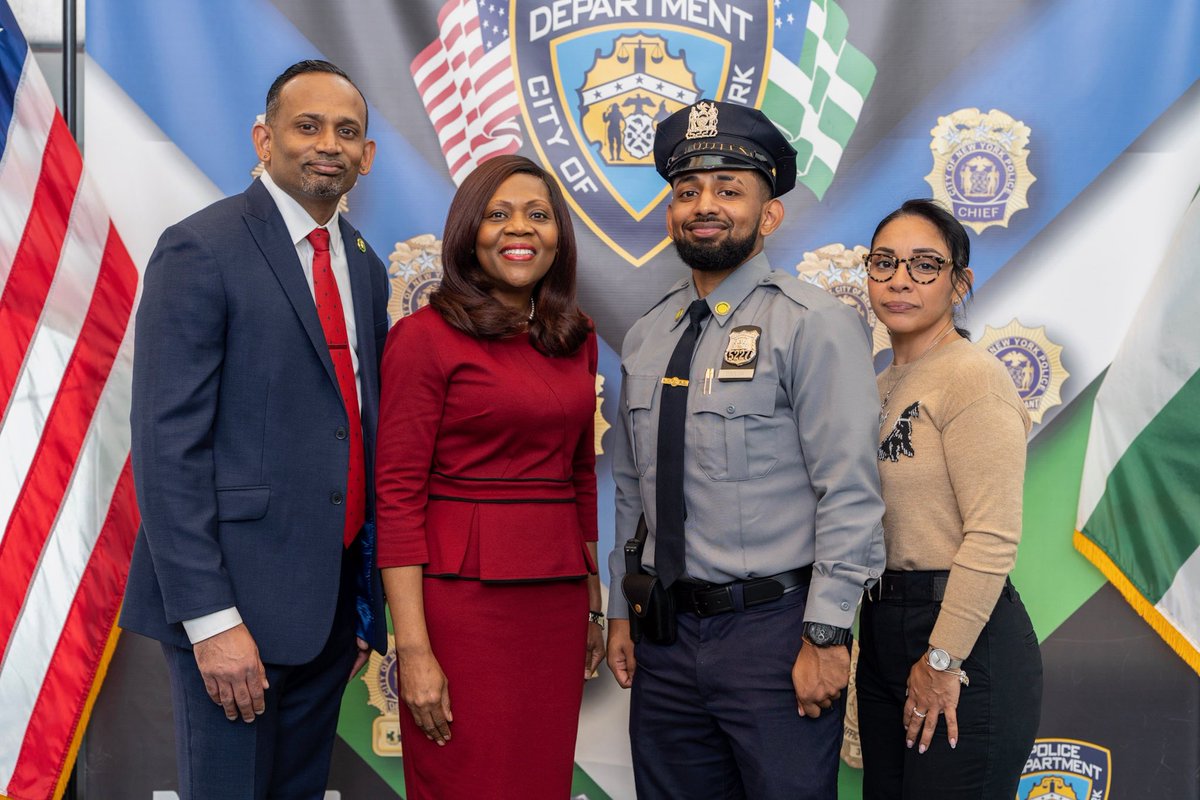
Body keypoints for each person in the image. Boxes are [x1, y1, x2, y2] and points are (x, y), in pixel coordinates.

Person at [121, 60, 389, 798]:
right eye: (307, 126)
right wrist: (211, 622)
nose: (327, 144)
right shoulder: (201, 248)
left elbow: (353, 433)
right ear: (263, 139)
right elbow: (167, 449)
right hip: (234, 611)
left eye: (347, 130)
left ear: (368, 156)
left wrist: (362, 602)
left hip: (330, 615)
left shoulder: (363, 266)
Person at [604, 99, 886, 799]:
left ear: (769, 215)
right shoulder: (647, 335)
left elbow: (849, 490)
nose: (705, 205)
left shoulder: (813, 325)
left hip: (775, 634)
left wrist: (826, 634)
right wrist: (620, 607)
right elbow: (632, 490)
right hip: (664, 635)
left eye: (730, 189)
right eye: (687, 190)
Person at [375, 154, 605, 799]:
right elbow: (395, 497)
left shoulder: (574, 334)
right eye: (498, 214)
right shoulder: (425, 337)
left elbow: (580, 476)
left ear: (558, 235)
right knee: (465, 778)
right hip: (460, 605)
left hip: (556, 599)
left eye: (537, 214)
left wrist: (592, 600)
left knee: (539, 780)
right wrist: (413, 650)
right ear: (469, 231)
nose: (519, 229)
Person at [855, 199, 1043, 799]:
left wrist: (941, 660)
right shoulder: (878, 385)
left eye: (924, 265)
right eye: (884, 263)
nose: (900, 280)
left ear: (960, 282)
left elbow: (992, 536)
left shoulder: (973, 376)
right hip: (883, 623)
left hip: (961, 640)